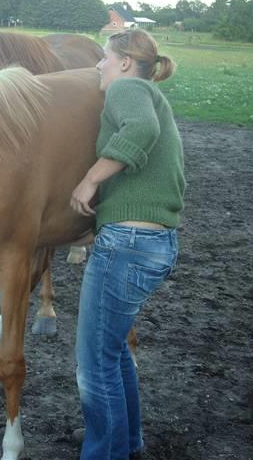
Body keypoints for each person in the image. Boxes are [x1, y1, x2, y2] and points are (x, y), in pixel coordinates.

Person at [70, 29, 185, 459]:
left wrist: (89, 180)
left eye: (103, 58)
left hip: (129, 245)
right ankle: (126, 439)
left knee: (94, 364)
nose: (98, 65)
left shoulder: (130, 88)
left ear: (122, 62)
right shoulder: (149, 93)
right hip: (150, 240)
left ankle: (105, 452)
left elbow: (140, 128)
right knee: (112, 352)